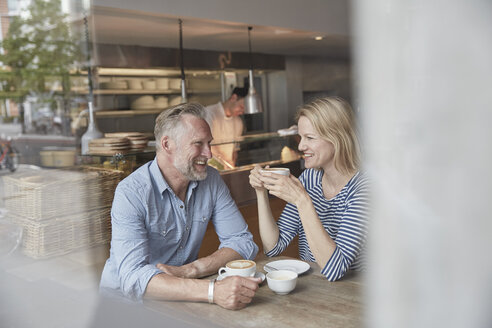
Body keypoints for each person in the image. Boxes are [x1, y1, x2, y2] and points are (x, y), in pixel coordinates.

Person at [100, 102, 260, 310]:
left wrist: (191, 270)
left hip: (181, 297)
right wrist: (213, 291)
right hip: (125, 307)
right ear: (167, 145)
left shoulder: (211, 180)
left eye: (209, 143)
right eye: (198, 144)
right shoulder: (131, 193)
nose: (209, 154)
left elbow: (242, 242)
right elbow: (133, 278)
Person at [249, 97, 369, 281]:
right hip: (314, 290)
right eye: (301, 136)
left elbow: (335, 270)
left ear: (337, 138)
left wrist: (302, 201)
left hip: (352, 296)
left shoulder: (363, 189)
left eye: (310, 138)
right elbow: (273, 247)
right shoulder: (309, 179)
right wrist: (260, 192)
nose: (300, 146)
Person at [205, 87, 248, 166]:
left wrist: (231, 166)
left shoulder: (238, 122)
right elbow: (206, 146)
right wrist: (222, 165)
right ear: (233, 98)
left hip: (228, 168)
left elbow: (235, 149)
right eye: (241, 107)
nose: (242, 112)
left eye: (244, 110)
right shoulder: (209, 114)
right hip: (210, 167)